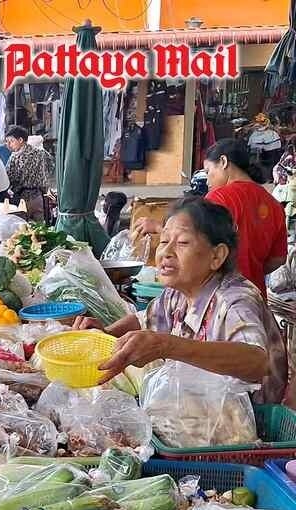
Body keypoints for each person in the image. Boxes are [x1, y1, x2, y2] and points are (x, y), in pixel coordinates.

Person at [76, 197, 286, 404]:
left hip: (247, 419)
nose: (166, 252)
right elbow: (143, 320)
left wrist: (166, 345)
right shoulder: (177, 293)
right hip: (199, 405)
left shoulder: (235, 300)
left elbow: (257, 361)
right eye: (164, 241)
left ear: (216, 256)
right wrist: (107, 334)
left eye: (183, 243)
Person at [133, 139, 287, 296]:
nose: (207, 180)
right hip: (256, 296)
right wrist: (251, 266)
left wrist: (158, 228)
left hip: (219, 297)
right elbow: (278, 259)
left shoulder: (218, 198)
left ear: (223, 161)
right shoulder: (274, 204)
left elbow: (192, 241)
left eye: (207, 171)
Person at [4, 125, 54, 222]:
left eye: (11, 141)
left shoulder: (15, 157)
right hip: (38, 197)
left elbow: (9, 178)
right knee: (39, 229)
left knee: (22, 229)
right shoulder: (41, 152)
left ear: (20, 140)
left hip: (22, 199)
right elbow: (51, 166)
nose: (9, 145)